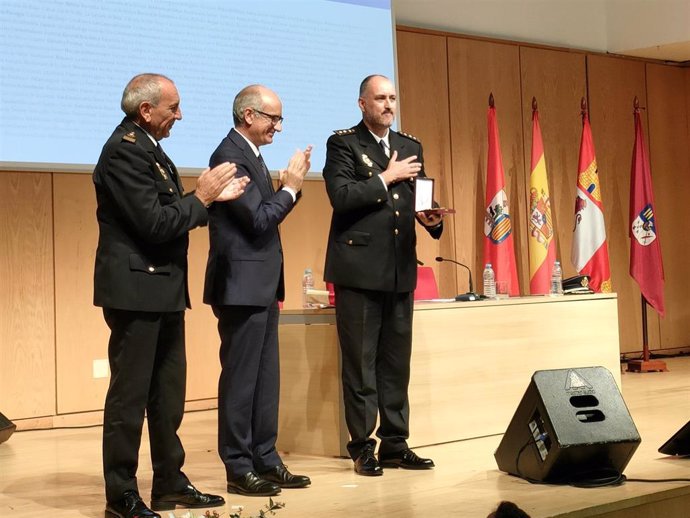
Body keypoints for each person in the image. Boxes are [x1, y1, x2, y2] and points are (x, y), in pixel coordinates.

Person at [94, 73, 249, 518]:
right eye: (173, 107)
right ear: (147, 110)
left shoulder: (149, 149)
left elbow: (166, 212)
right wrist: (202, 197)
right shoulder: (124, 150)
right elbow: (155, 224)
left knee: (167, 393)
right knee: (130, 398)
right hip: (135, 289)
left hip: (160, 288)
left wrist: (209, 200)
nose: (179, 115)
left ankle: (169, 482)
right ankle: (121, 493)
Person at [323, 74, 444, 476]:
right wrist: (385, 177)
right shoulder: (343, 143)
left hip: (398, 269)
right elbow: (340, 197)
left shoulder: (410, 145)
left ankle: (395, 443)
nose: (388, 105)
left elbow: (420, 197)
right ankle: (362, 447)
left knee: (395, 364)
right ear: (362, 104)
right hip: (358, 271)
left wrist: (431, 218)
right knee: (361, 364)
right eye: (380, 98)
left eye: (393, 97)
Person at [204, 85, 312, 496]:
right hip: (240, 286)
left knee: (267, 378)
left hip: (262, 284)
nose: (278, 127)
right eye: (273, 118)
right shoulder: (228, 154)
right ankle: (237, 466)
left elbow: (265, 212)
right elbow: (258, 221)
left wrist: (290, 188)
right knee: (241, 380)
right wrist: (291, 187)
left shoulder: (252, 154)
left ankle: (265, 459)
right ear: (249, 115)